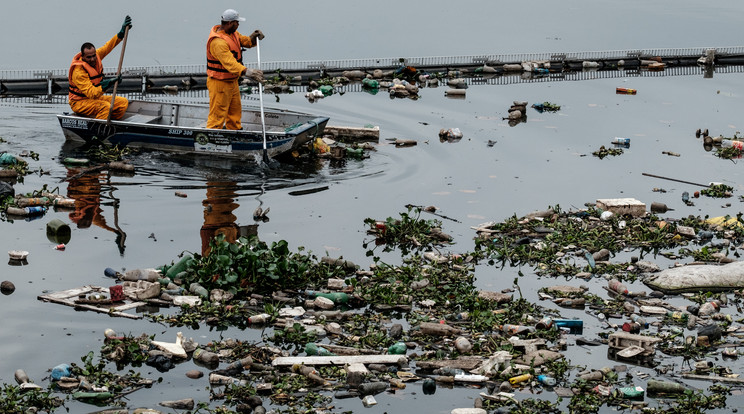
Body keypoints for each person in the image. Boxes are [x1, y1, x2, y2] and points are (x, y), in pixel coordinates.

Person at [206, 9, 265, 130]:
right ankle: (211, 137)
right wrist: (248, 72)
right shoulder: (218, 42)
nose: (238, 25)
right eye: (236, 22)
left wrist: (253, 38)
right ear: (229, 23)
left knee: (235, 111)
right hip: (219, 83)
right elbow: (230, 63)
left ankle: (235, 132)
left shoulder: (233, 34)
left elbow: (244, 41)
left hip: (231, 81)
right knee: (218, 114)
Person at [68, 16, 132, 120]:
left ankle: (110, 125)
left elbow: (108, 46)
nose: (93, 59)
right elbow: (92, 93)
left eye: (94, 55)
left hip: (95, 98)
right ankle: (97, 133)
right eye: (89, 57)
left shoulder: (96, 55)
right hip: (79, 102)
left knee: (122, 103)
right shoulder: (78, 72)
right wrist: (109, 82)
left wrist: (121, 34)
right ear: (83, 57)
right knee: (105, 107)